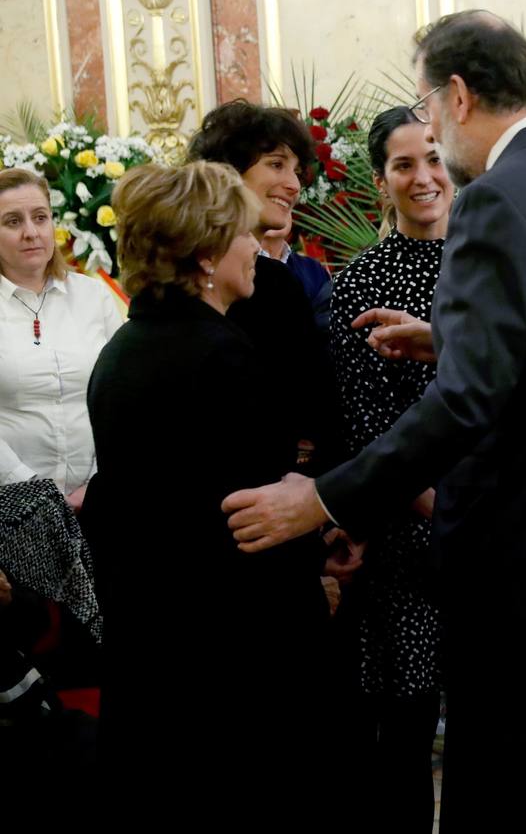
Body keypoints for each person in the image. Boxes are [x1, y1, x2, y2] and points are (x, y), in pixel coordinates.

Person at [221, 10, 526, 832]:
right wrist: (450, 338)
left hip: (525, 538)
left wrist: (324, 499)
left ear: (458, 95)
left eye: (427, 108)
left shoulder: (496, 197)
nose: (430, 128)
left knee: (503, 777)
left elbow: (469, 403)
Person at [83, 162, 333, 826]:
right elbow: (252, 519)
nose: (257, 246)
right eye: (245, 234)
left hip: (151, 640)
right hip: (229, 657)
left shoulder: (123, 350)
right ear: (206, 252)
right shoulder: (222, 357)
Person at [327, 106, 450, 829]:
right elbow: (369, 425)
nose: (423, 176)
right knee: (405, 724)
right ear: (382, 182)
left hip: (497, 525)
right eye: (405, 164)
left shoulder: (494, 267)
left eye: (433, 158)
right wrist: (440, 504)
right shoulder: (359, 284)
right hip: (409, 537)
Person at [187, 100, 340, 473]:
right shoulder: (183, 279)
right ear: (228, 173)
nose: (294, 184)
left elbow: (321, 411)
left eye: (296, 171)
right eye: (276, 164)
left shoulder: (278, 283)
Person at [0, 168, 123, 509]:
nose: (31, 232)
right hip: (12, 505)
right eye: (12, 222)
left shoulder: (92, 296)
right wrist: (35, 491)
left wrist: (99, 483)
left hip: (98, 496)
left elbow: (122, 395)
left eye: (40, 218)